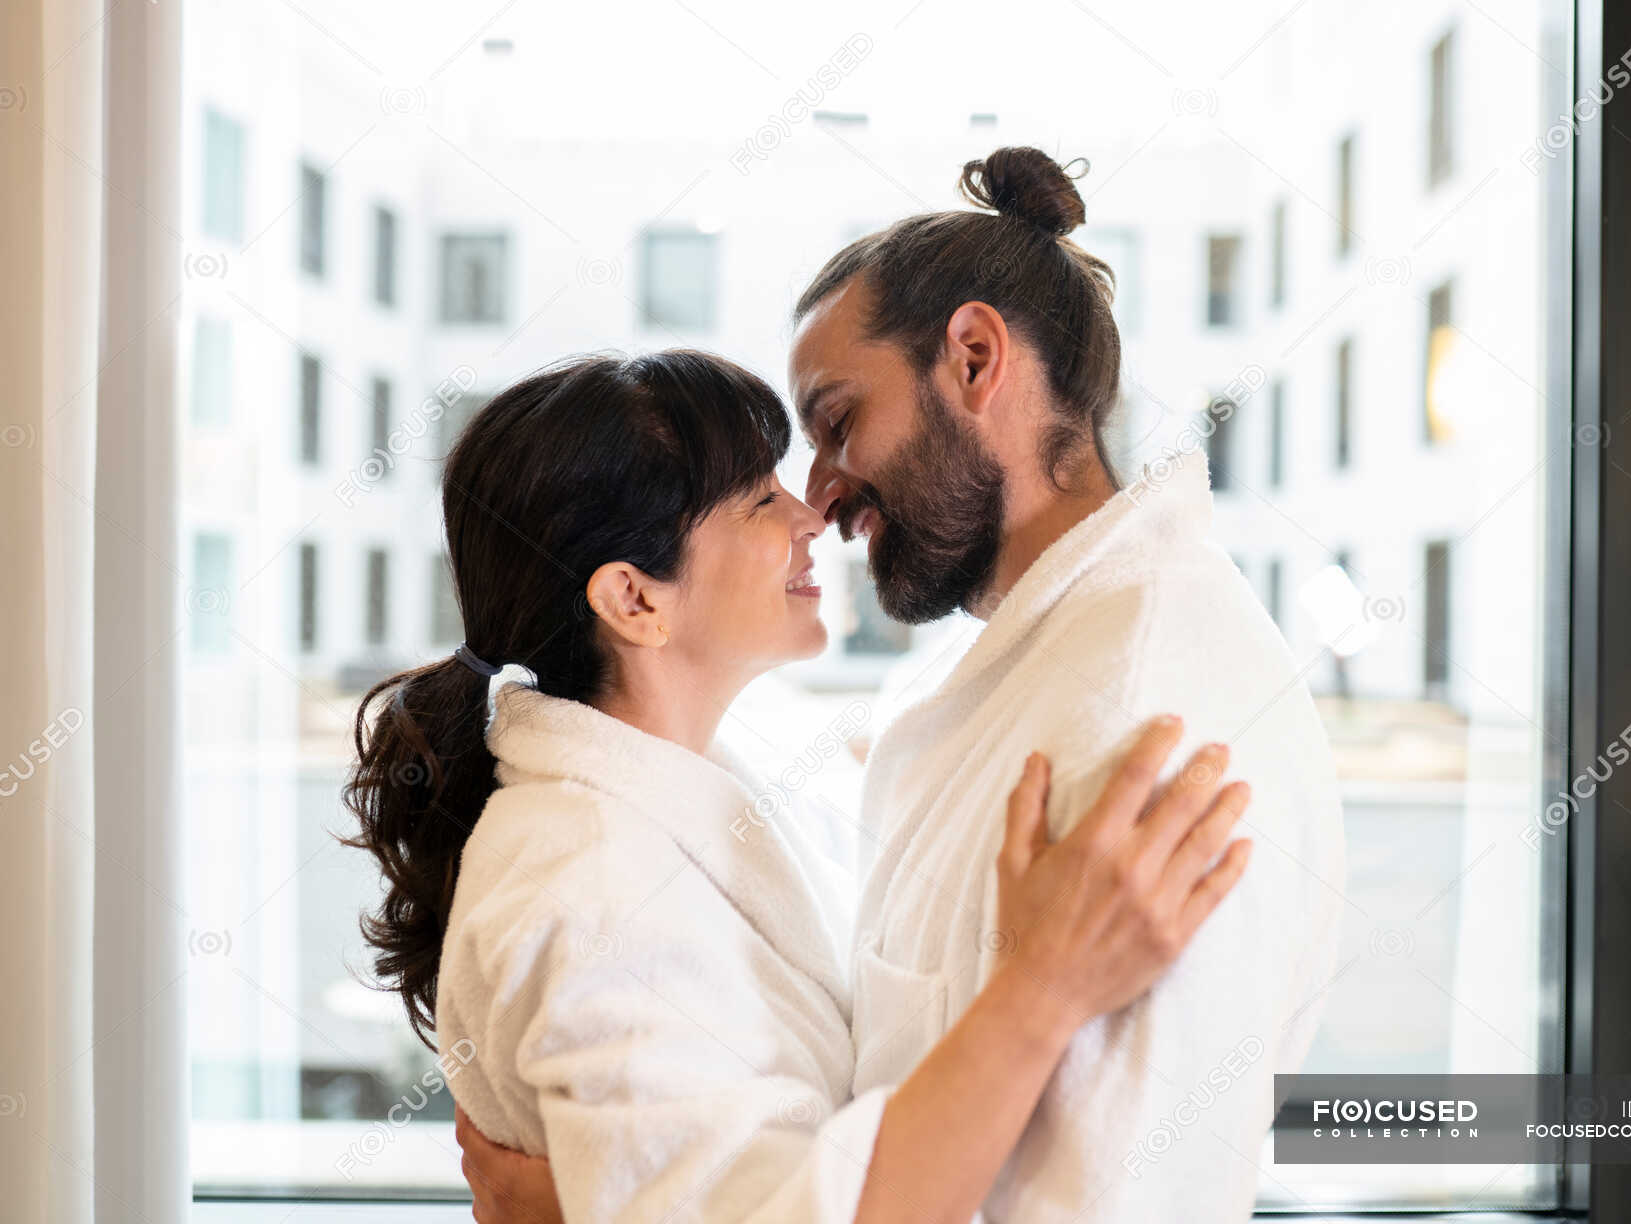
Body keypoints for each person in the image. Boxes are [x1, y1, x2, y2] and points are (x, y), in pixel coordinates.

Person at [460, 147, 1347, 1222]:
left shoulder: (1143, 722)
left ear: (975, 359)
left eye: (836, 424)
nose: (820, 501)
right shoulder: (1009, 679)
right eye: (764, 489)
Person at [344, 349, 1257, 1223]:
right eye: (756, 499)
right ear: (635, 600)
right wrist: (1047, 988)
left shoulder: (684, 799)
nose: (810, 516)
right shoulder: (585, 890)